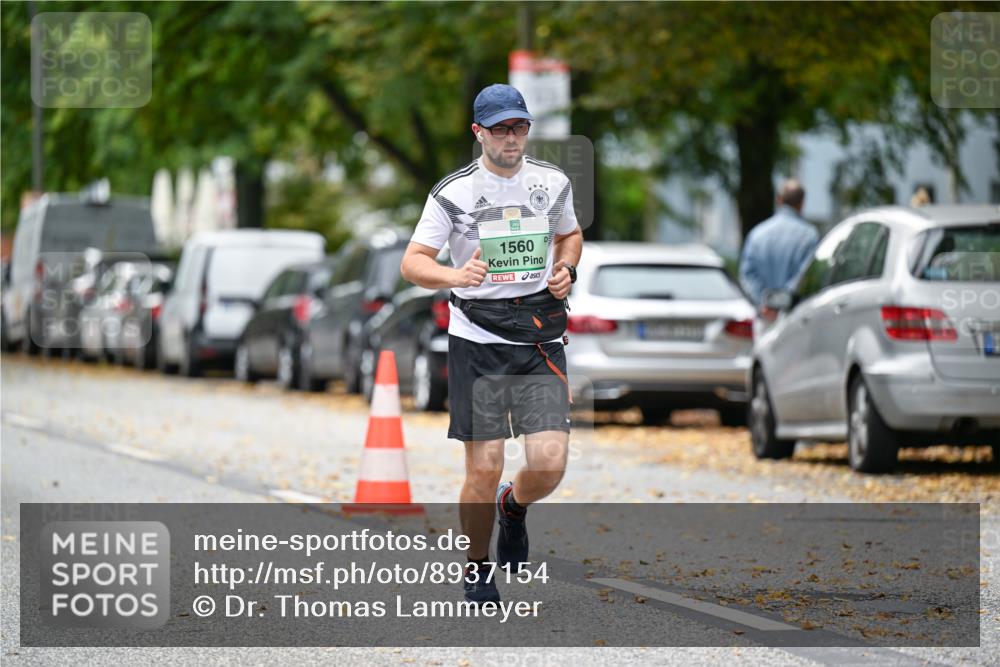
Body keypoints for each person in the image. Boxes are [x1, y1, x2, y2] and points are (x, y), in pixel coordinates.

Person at [400, 84, 584, 605]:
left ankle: (514, 506)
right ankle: (478, 567)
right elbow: (412, 261)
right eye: (500, 128)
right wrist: (456, 274)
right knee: (483, 467)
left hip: (539, 338)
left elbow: (569, 235)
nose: (511, 137)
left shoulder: (552, 183)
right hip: (478, 340)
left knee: (549, 464)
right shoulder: (453, 193)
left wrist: (567, 267)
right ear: (478, 132)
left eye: (519, 127)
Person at [738, 179, 819, 306]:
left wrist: (766, 303)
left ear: (779, 199)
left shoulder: (757, 234)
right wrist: (782, 303)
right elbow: (806, 277)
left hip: (763, 314)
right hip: (794, 314)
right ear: (802, 203)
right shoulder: (809, 235)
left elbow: (748, 275)